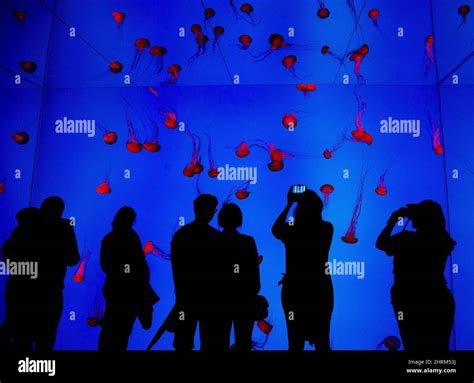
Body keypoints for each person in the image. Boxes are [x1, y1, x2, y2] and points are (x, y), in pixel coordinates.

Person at [376, 200, 456, 351]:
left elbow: (380, 244)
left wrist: (392, 221)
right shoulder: (444, 241)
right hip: (440, 299)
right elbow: (439, 230)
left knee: (413, 346)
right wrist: (421, 211)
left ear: (420, 217)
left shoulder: (406, 238)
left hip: (408, 299)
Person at [272, 187, 334, 351]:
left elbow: (276, 230)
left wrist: (290, 203)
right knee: (322, 342)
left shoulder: (292, 231)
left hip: (294, 290)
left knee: (294, 343)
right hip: (320, 290)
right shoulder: (326, 228)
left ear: (300, 209)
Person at [99, 207, 158, 351]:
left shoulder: (111, 239)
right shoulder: (130, 237)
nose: (131, 223)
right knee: (122, 330)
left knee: (113, 328)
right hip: (130, 291)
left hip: (116, 290)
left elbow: (105, 266)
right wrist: (139, 277)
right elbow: (139, 262)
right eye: (131, 220)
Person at [170, 194, 225, 351]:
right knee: (210, 343)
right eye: (213, 210)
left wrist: (180, 293)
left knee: (183, 343)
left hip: (184, 297)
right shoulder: (217, 237)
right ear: (212, 212)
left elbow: (176, 268)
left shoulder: (181, 235)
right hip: (211, 299)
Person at [218, 203, 260, 351]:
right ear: (239, 220)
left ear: (221, 219)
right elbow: (255, 275)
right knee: (243, 342)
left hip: (220, 299)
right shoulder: (248, 241)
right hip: (245, 299)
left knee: (218, 341)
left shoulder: (214, 241)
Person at [0, 207, 40, 350]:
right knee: (23, 324)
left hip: (16, 283)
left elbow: (6, 256)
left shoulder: (16, 235)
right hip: (28, 286)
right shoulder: (36, 237)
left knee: (12, 321)